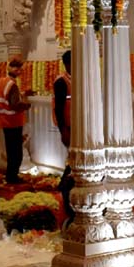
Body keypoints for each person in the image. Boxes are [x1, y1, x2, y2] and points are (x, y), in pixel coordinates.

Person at [0, 55, 32, 185]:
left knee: (11, 150)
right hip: (13, 122)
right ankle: (13, 178)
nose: (20, 71)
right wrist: (27, 105)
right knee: (16, 153)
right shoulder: (12, 85)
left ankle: (10, 176)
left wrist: (22, 94)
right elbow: (14, 105)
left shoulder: (2, 81)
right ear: (13, 69)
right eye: (18, 68)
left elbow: (8, 98)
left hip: (5, 121)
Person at [53, 50, 75, 223]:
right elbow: (59, 109)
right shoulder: (61, 82)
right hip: (69, 127)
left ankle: (65, 184)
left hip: (79, 126)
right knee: (73, 160)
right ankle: (64, 186)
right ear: (68, 64)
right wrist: (63, 131)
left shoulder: (76, 79)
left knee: (74, 160)